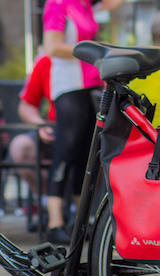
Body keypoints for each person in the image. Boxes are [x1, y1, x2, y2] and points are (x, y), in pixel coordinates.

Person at [42, 0, 124, 244]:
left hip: (90, 86)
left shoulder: (85, 5)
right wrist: (96, 49)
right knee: (65, 152)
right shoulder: (57, 4)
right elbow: (52, 47)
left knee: (84, 155)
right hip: (68, 86)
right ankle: (54, 222)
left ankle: (79, 222)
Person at [9, 54, 54, 197]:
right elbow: (26, 106)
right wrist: (40, 124)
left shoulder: (97, 61)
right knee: (20, 146)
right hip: (53, 127)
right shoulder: (46, 61)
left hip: (89, 131)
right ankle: (46, 199)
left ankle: (83, 206)